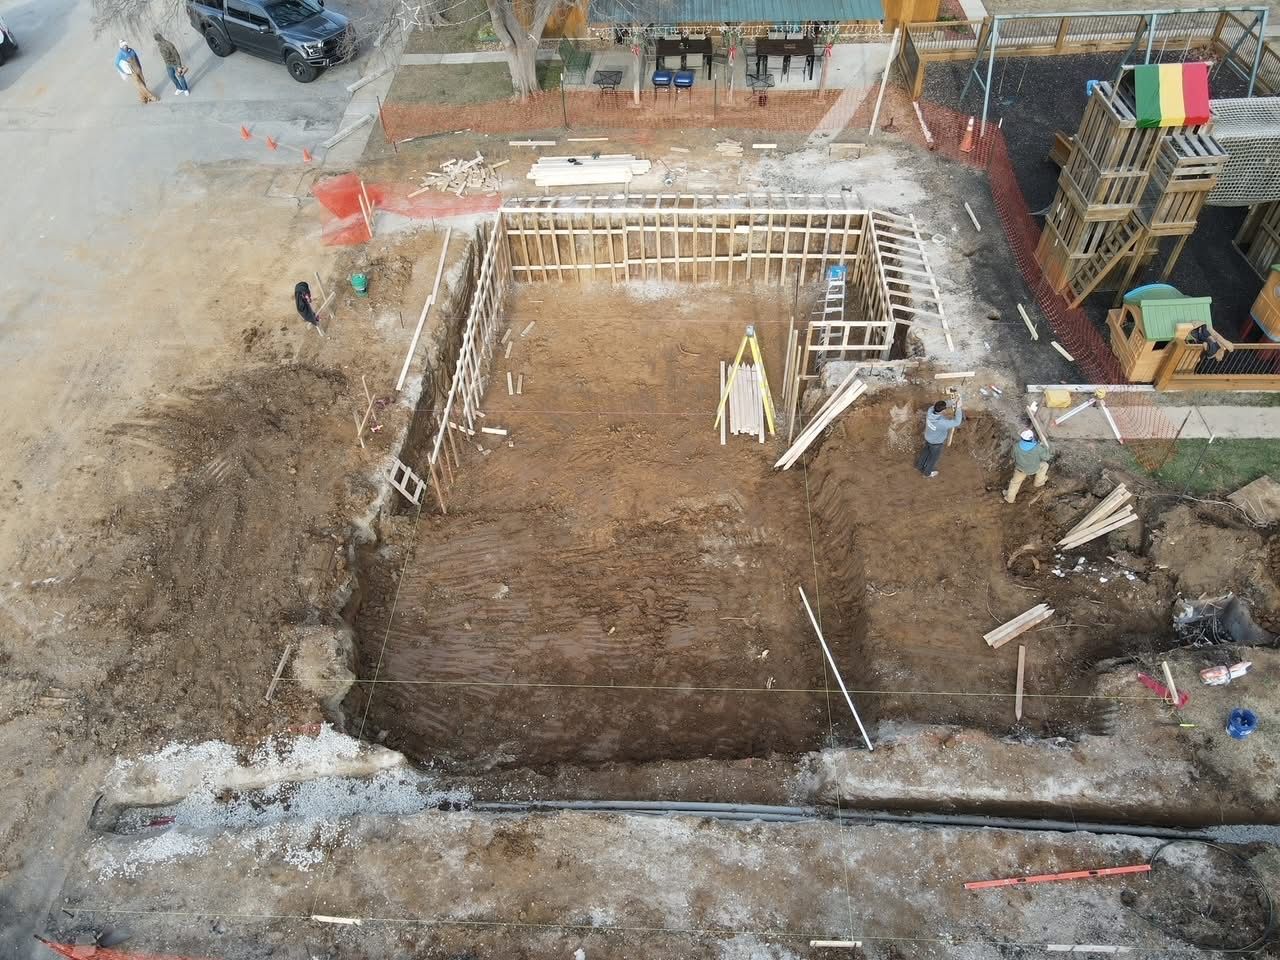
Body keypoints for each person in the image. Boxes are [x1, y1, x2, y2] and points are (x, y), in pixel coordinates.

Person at [916, 398, 962, 478]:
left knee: (925, 452)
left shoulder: (930, 411)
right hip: (936, 443)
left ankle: (919, 466)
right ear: (942, 411)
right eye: (944, 410)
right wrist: (958, 408)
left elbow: (939, 405)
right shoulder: (942, 423)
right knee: (933, 459)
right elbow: (957, 422)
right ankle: (927, 473)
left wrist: (952, 402)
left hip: (928, 437)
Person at [1004, 429, 1051, 503]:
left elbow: (1013, 456)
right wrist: (1046, 449)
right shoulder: (1037, 447)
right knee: (1045, 465)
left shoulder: (1016, 446)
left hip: (1020, 470)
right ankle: (1038, 482)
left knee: (1014, 483)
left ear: (1022, 438)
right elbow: (1047, 457)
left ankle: (1010, 498)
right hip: (1034, 469)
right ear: (1032, 438)